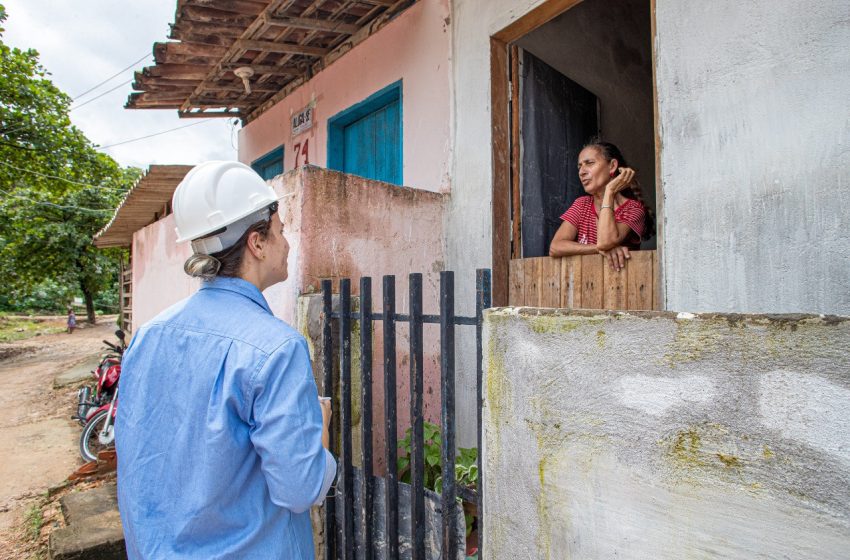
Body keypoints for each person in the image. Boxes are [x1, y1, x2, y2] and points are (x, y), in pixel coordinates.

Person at [115, 161, 335, 559]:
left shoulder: (148, 336)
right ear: (257, 242)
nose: (287, 244)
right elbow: (301, 488)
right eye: (281, 232)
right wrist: (320, 436)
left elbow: (140, 463)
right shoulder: (277, 349)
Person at [549, 141, 655, 271]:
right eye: (579, 166)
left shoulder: (633, 208)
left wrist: (610, 191)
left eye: (589, 163)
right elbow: (555, 247)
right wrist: (597, 249)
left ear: (612, 166)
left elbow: (606, 242)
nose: (581, 172)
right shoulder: (581, 204)